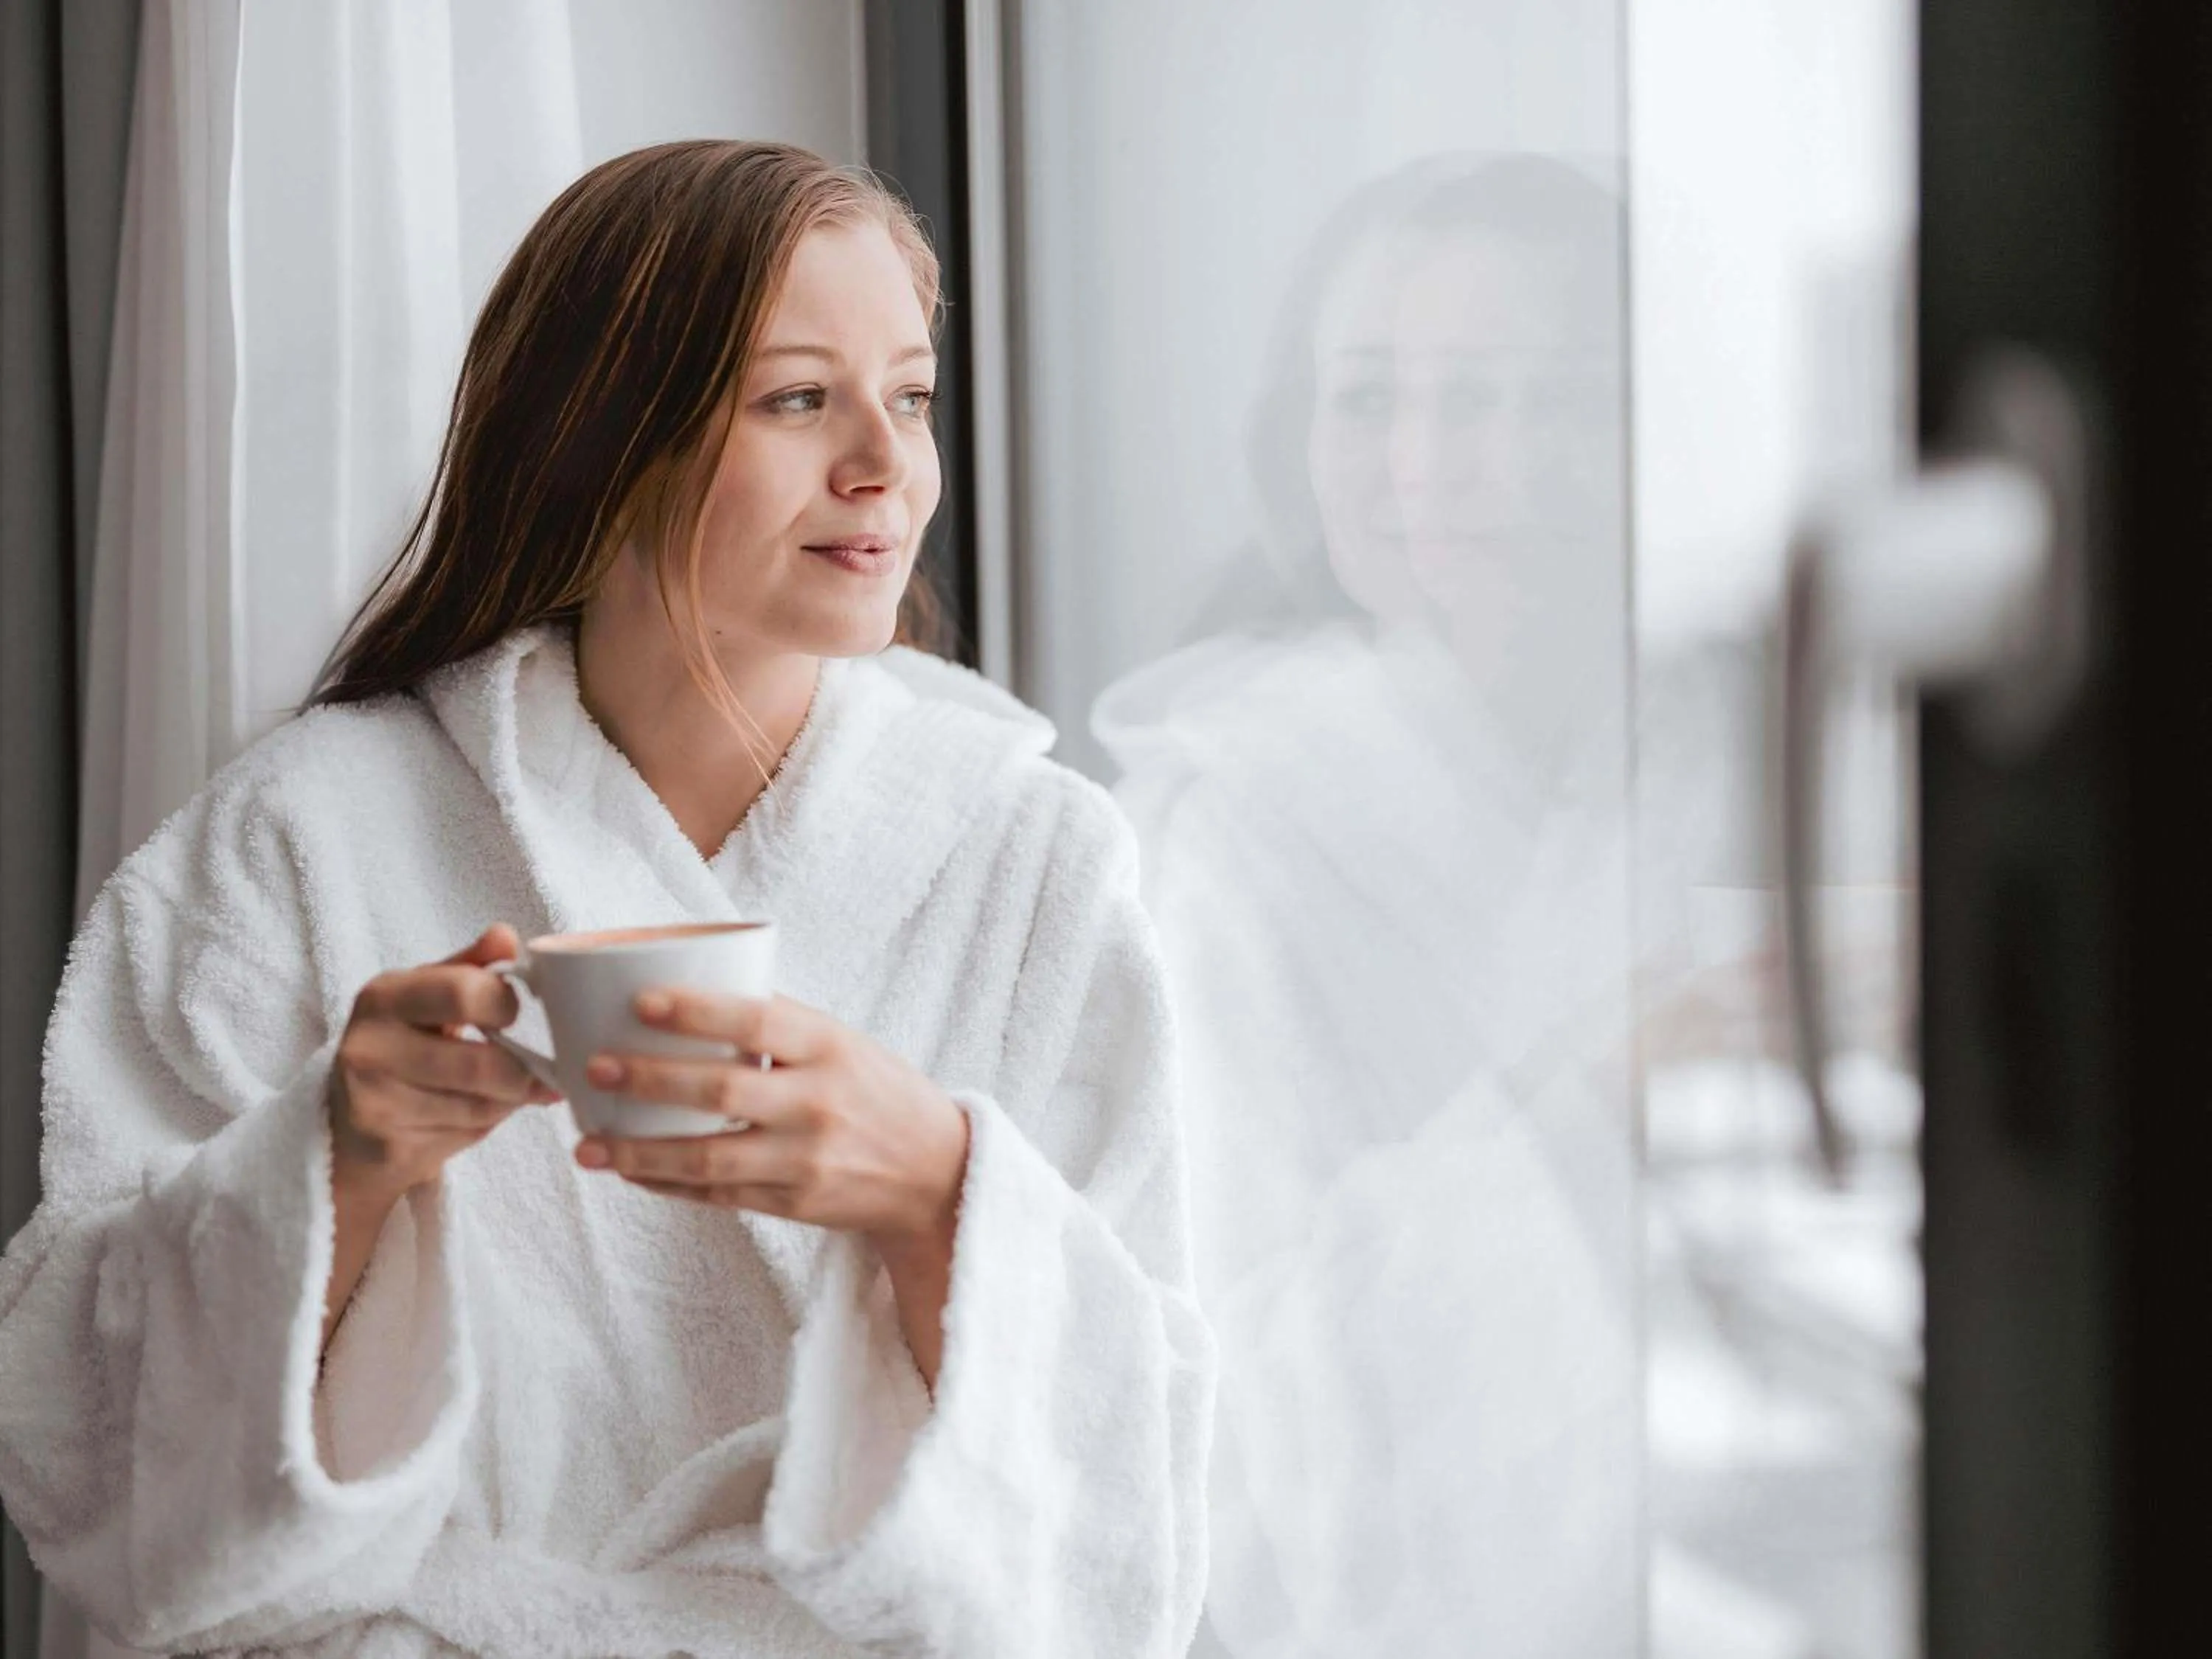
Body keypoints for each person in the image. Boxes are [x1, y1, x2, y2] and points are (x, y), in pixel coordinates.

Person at [0, 140, 1213, 1658]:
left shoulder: (1034, 861)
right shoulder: (300, 837)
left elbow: (1146, 1475)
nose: (886, 468)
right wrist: (338, 1160)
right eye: (797, 399)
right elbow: (71, 1421)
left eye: (908, 396)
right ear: (604, 436)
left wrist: (936, 1190)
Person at [1092, 153, 1642, 1657]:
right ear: (1299, 448)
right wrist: (1595, 1105)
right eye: (1378, 400)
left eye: (1555, 397)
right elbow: (1251, 1439)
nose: (1463, 467)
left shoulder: (1724, 776)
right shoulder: (1218, 846)